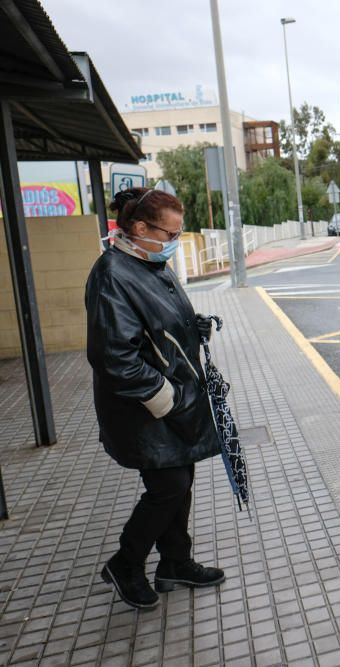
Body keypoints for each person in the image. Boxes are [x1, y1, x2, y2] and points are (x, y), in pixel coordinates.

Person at [85, 187, 225, 609]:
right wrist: (165, 399)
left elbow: (158, 323)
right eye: (170, 233)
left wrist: (192, 325)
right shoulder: (112, 274)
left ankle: (175, 564)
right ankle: (126, 565)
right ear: (140, 228)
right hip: (144, 410)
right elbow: (115, 358)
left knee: (180, 482)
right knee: (170, 486)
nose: (175, 242)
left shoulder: (148, 262)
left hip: (172, 401)